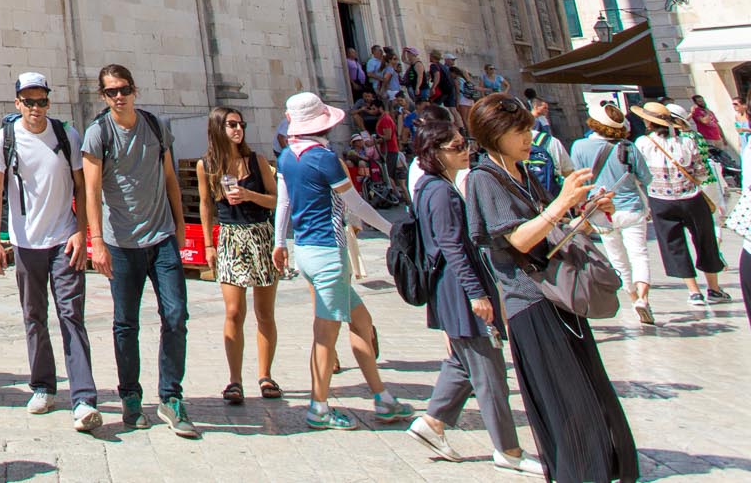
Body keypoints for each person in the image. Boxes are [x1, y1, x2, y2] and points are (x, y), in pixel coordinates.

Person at [462, 94, 636, 481]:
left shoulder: (521, 173)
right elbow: (518, 240)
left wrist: (586, 211)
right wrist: (561, 202)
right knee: (567, 399)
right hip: (529, 301)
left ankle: (604, 468)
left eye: (527, 129)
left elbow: (550, 232)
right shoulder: (482, 179)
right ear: (495, 134)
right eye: (519, 131)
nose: (529, 137)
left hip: (558, 293)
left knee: (587, 389)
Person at [403, 107, 534, 470]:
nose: (466, 151)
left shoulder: (430, 187)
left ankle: (431, 422)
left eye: (466, 144)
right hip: (459, 290)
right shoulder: (441, 193)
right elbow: (452, 246)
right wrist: (477, 293)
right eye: (457, 145)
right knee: (489, 372)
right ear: (436, 152)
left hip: (450, 289)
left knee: (462, 364)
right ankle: (508, 451)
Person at [271, 91, 408, 430]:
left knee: (361, 322)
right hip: (329, 253)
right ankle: (318, 408)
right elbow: (356, 205)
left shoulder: (287, 157)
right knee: (325, 335)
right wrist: (393, 230)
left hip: (304, 250)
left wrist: (279, 242)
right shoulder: (325, 158)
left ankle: (383, 397)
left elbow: (284, 205)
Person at [81, 63, 196, 437]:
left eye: (124, 89)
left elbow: (170, 179)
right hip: (121, 243)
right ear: (103, 96)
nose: (119, 96)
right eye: (111, 91)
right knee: (125, 324)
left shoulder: (155, 126)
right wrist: (96, 241)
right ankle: (130, 395)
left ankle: (170, 396)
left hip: (162, 237)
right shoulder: (98, 133)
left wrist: (179, 227)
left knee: (176, 315)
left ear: (135, 90)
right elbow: (91, 191)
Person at [0, 71, 98, 425]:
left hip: (64, 240)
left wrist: (83, 232)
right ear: (17, 103)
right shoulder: (3, 139)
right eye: (29, 101)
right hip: (25, 242)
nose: (36, 108)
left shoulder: (66, 135)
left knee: (71, 315)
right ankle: (44, 386)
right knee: (34, 317)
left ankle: (83, 397)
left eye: (42, 101)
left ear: (49, 101)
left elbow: (82, 186)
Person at [193, 105, 280, 406]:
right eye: (231, 124)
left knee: (264, 312)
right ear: (218, 127)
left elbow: (274, 200)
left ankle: (265, 375)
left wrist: (249, 195)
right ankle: (235, 380)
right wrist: (208, 244)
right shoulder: (207, 165)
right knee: (233, 312)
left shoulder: (256, 160)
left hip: (260, 236)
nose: (237, 129)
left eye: (240, 124)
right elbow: (205, 205)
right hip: (230, 237)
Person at [633, 101, 730, 304]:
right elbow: (702, 172)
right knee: (705, 240)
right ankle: (713, 288)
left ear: (649, 123)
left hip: (660, 199)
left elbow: (640, 175)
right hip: (690, 197)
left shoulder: (642, 143)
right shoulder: (686, 142)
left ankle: (694, 291)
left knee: (674, 244)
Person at [569, 99, 654, 324]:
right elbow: (646, 177)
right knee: (639, 254)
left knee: (617, 259)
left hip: (600, 210)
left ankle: (632, 296)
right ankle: (643, 298)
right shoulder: (628, 147)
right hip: (631, 207)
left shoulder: (579, 147)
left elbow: (580, 179)